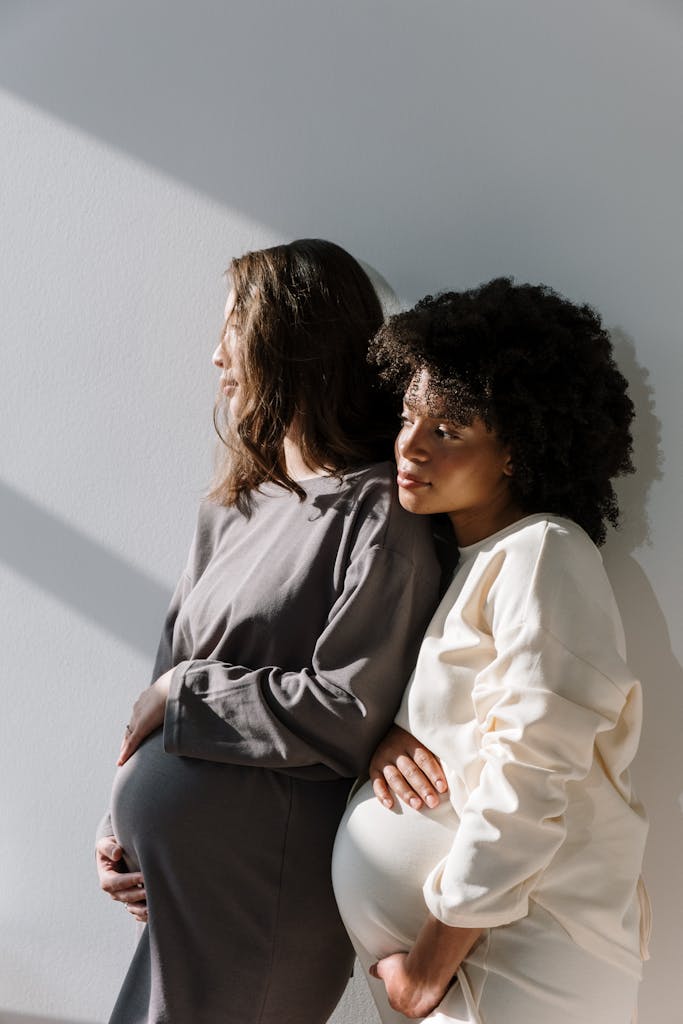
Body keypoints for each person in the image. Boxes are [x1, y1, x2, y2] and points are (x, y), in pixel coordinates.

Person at [94, 239, 441, 1024]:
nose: (217, 357)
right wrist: (117, 827)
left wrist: (188, 693)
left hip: (263, 891)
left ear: (295, 344)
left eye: (234, 331)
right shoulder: (233, 507)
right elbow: (154, 698)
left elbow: (349, 713)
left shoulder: (379, 512)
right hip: (179, 886)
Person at [332, 277, 650, 1024]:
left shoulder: (544, 551)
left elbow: (530, 775)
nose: (409, 445)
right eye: (409, 417)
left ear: (515, 448)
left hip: (521, 954)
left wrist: (423, 968)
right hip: (475, 962)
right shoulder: (472, 564)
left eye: (447, 429)